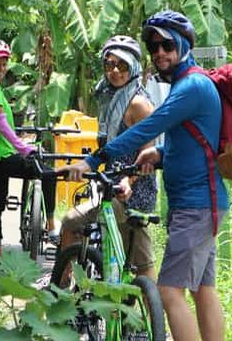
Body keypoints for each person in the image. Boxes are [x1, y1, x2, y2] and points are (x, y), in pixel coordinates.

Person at [59, 11, 229, 341]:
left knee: (169, 291)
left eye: (167, 44)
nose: (160, 52)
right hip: (201, 203)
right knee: (203, 290)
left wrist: (94, 161)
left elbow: (150, 127)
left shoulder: (191, 85)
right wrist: (161, 155)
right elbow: (195, 142)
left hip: (196, 204)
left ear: (183, 44)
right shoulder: (187, 84)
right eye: (154, 46)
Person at [59, 35, 157, 280]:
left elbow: (148, 154)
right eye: (109, 64)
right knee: (71, 223)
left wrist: (128, 180)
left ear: (133, 67)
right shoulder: (106, 96)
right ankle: (63, 284)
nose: (115, 71)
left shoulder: (138, 104)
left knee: (141, 264)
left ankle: (154, 316)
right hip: (109, 187)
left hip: (134, 192)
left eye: (122, 65)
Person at [0, 39, 57, 262]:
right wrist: (22, 147)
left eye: (4, 64)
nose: (1, 68)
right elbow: (1, 124)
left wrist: (19, 142)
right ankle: (51, 226)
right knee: (47, 174)